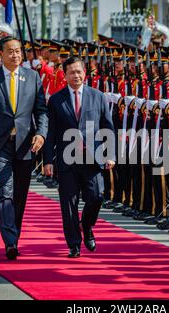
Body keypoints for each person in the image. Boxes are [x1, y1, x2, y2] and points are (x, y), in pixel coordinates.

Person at [0, 36, 48, 260]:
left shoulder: (33, 77)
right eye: (11, 51)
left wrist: (41, 134)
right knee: (5, 193)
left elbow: (41, 111)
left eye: (18, 51)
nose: (15, 55)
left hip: (25, 145)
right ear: (1, 54)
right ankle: (9, 241)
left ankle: (13, 235)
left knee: (20, 195)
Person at [43, 56, 115, 258]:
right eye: (71, 72)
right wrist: (48, 160)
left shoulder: (98, 96)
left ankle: (87, 225)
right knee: (68, 203)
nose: (76, 75)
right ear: (64, 75)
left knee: (96, 196)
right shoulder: (57, 100)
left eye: (79, 71)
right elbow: (51, 133)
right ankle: (74, 243)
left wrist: (110, 154)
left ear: (85, 73)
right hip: (67, 159)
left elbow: (107, 127)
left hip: (93, 158)